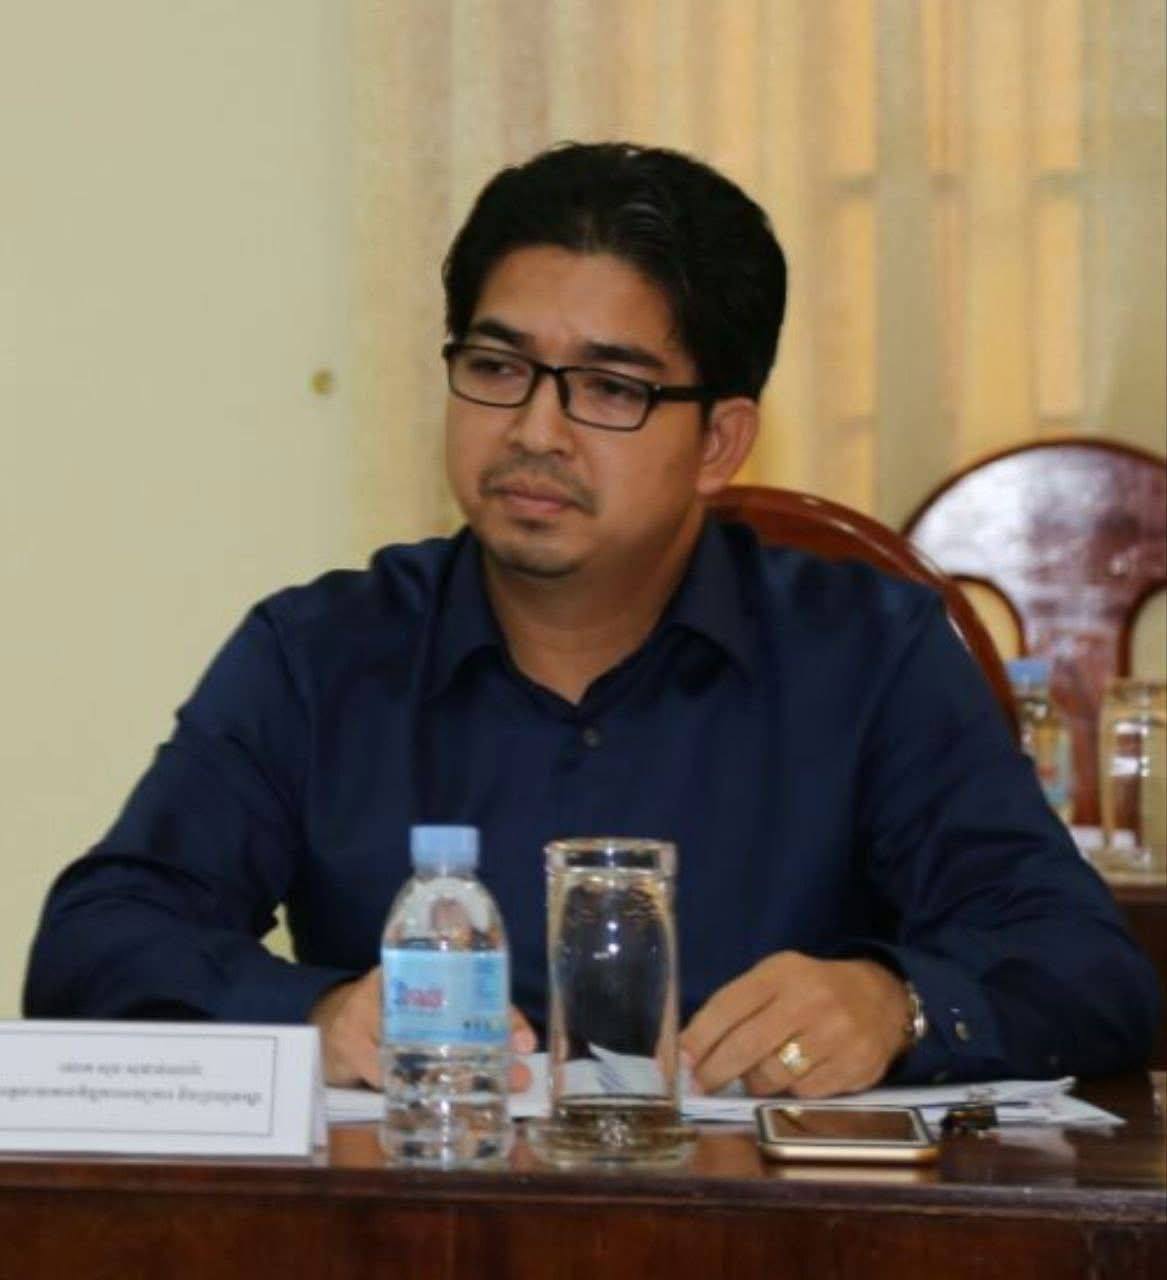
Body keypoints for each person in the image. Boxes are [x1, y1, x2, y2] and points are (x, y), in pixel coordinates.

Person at [24, 142, 1158, 1100]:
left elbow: (1086, 968)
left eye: (611, 388)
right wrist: (315, 1017)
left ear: (720, 441)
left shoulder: (869, 656)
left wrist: (895, 1003)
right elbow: (97, 942)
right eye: (496, 365)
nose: (535, 430)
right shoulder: (321, 653)